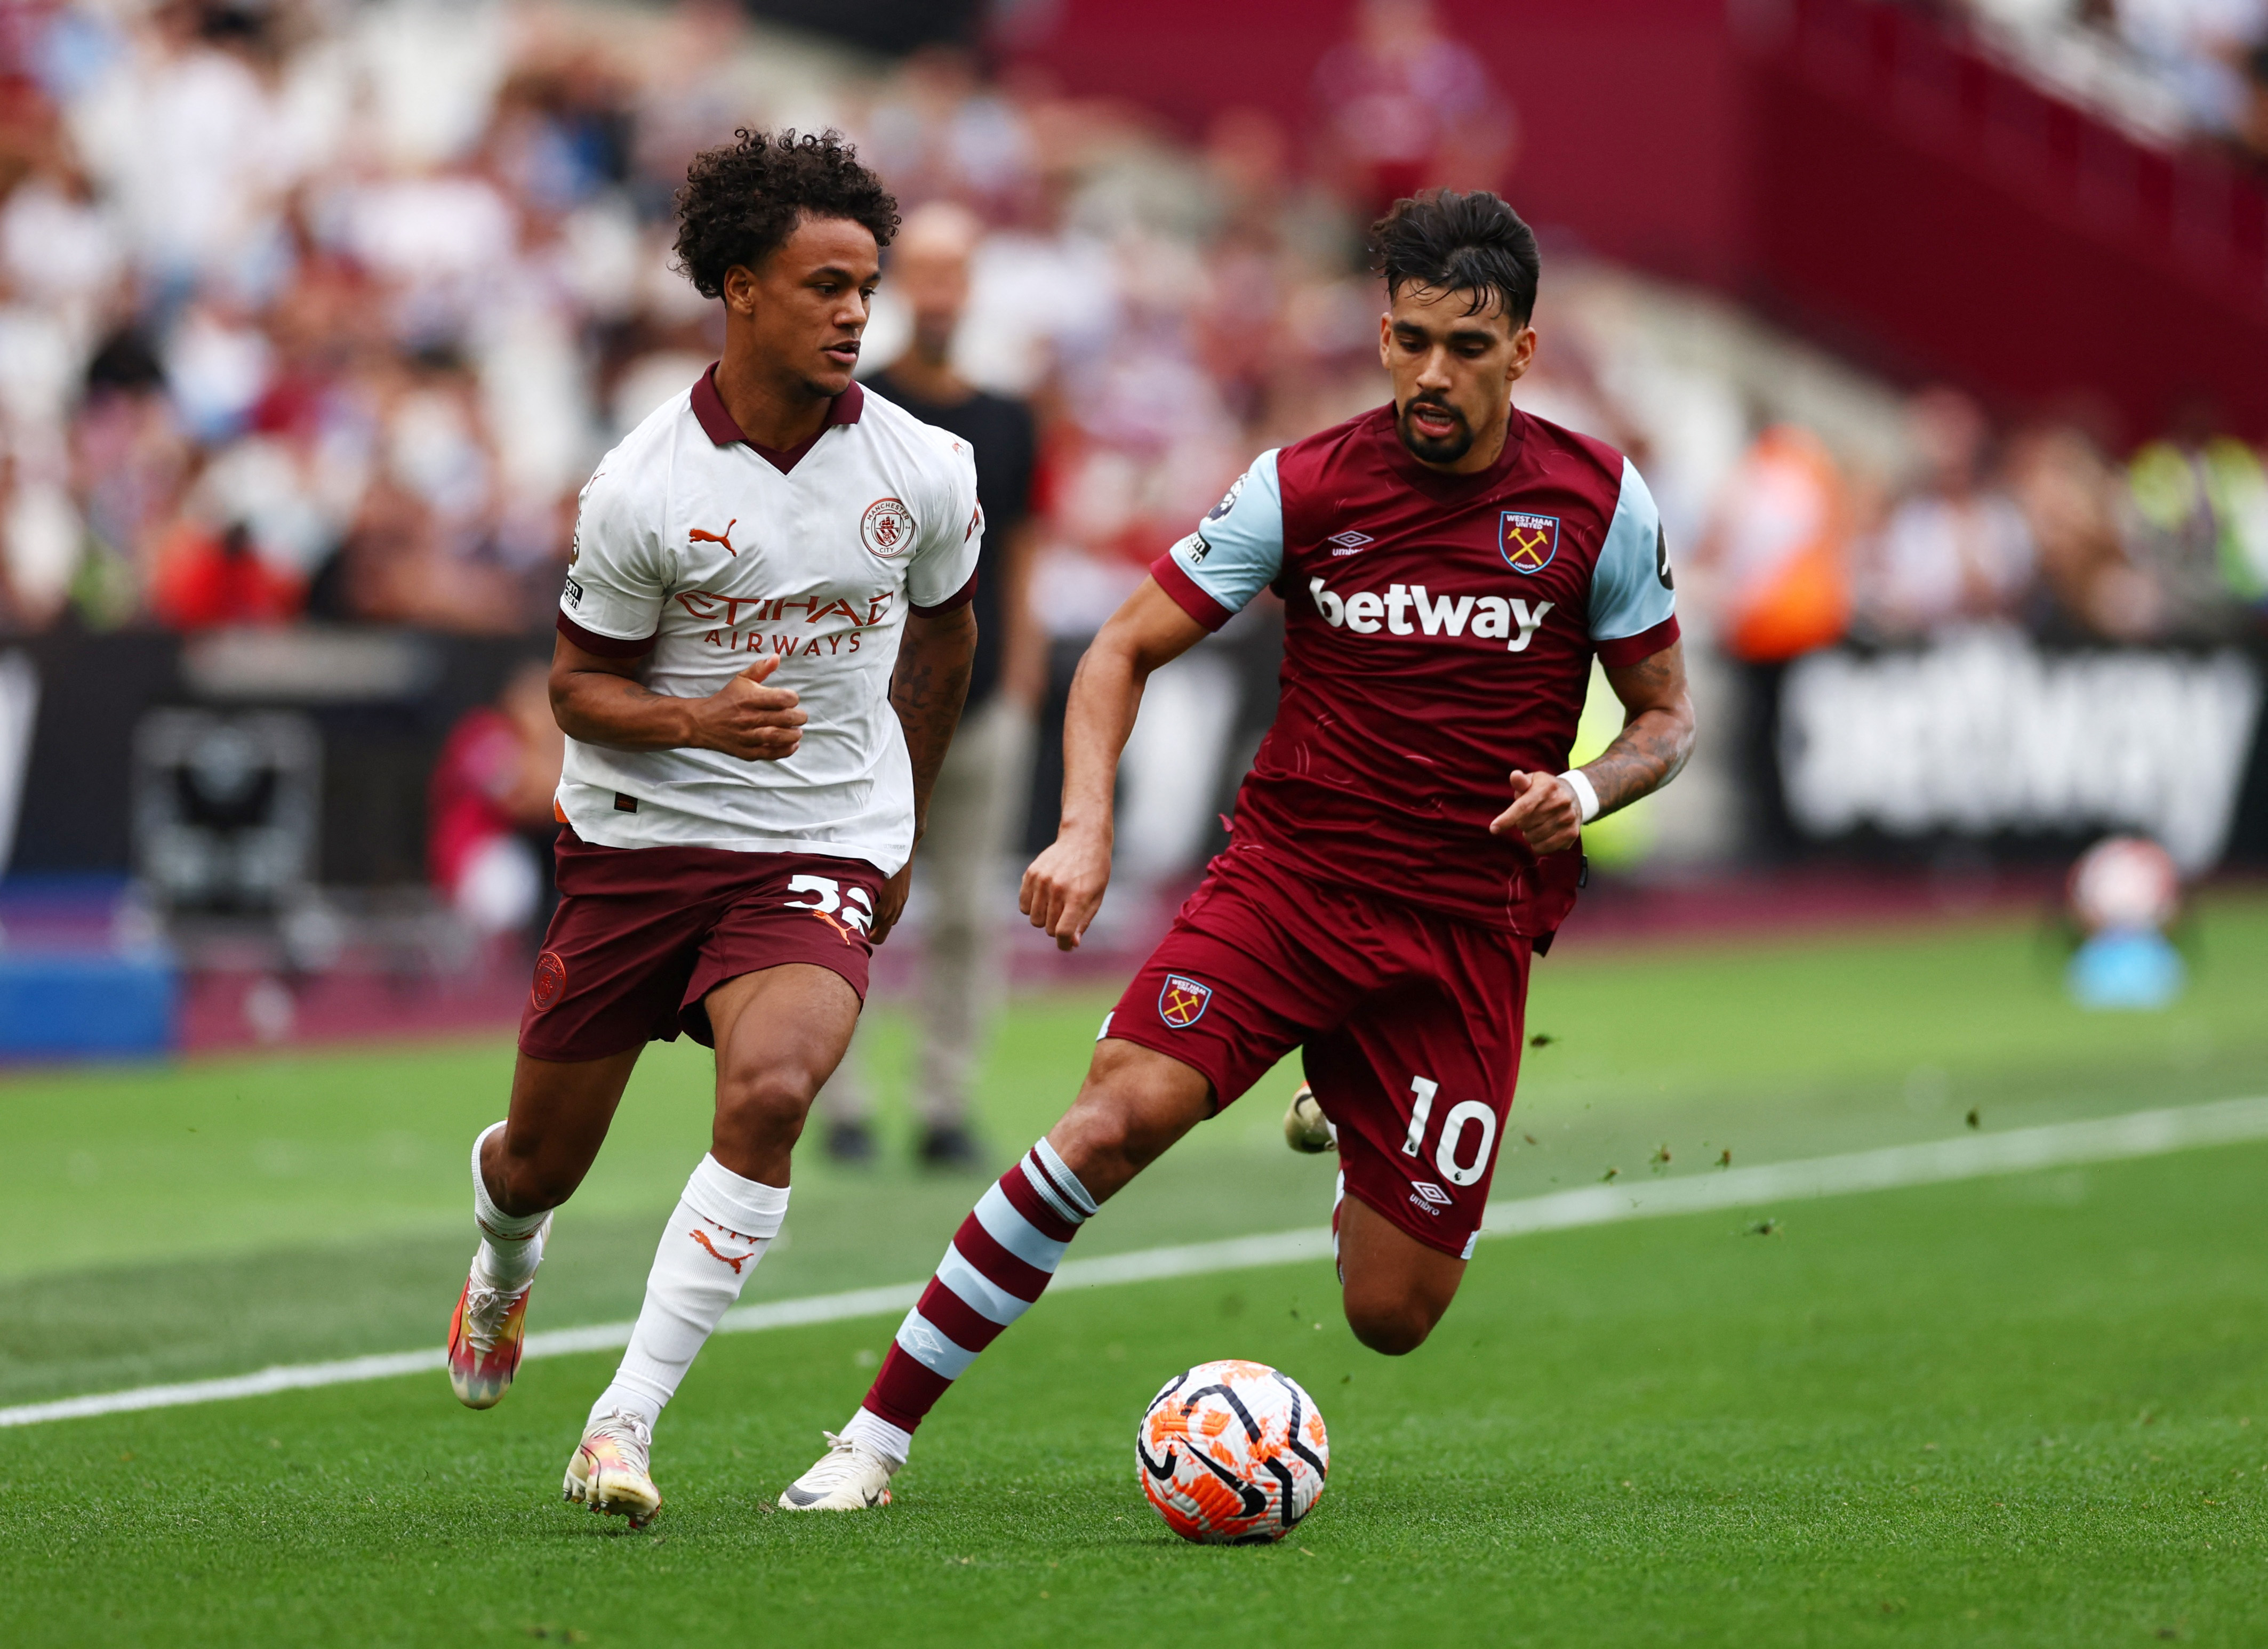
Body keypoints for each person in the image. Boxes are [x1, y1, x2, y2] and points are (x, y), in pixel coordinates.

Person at [778, 189, 1696, 1510]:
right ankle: (871, 1439)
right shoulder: (1304, 484)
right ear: (1384, 333)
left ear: (1525, 351)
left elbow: (1667, 718)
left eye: (1468, 349)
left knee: (1392, 1312)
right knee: (1111, 1120)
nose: (1432, 376)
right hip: (1292, 884)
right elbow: (1122, 648)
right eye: (1411, 340)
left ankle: (1353, 1102)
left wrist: (1592, 788)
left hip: (1463, 926)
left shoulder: (1598, 502)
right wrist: (1086, 826)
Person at [442, 129, 983, 1531]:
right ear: (738, 288)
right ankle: (504, 1256)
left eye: (867, 284)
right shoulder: (642, 490)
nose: (856, 311)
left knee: (776, 1090)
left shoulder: (925, 469)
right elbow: (576, 689)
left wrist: (900, 814)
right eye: (823, 284)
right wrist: (699, 724)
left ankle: (619, 1423)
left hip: (816, 836)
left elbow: (943, 635)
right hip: (634, 844)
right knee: (540, 1160)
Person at [818, 200, 1041, 1170]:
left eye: (958, 275)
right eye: (930, 274)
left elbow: (1022, 558)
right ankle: (842, 1098)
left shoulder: (1007, 416)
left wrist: (1026, 681)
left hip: (982, 698)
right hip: (871, 701)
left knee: (963, 911)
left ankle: (943, 1097)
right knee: (847, 897)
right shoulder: (856, 407)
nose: (942, 294)